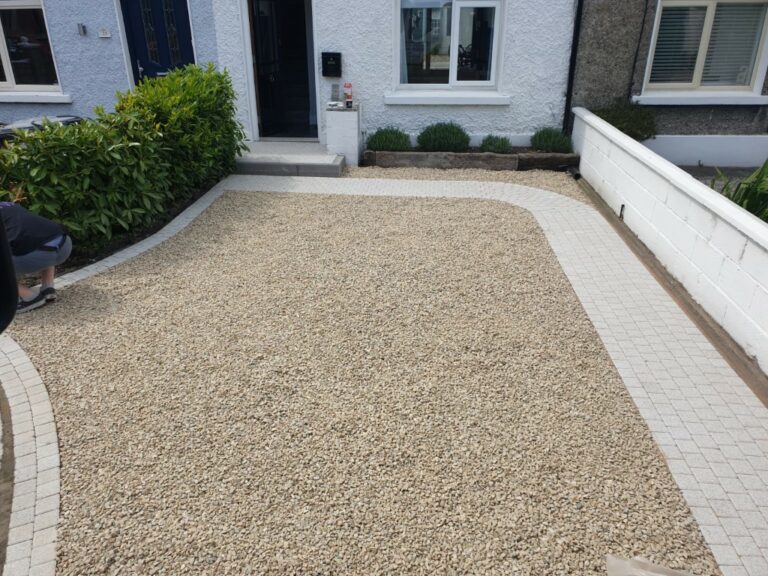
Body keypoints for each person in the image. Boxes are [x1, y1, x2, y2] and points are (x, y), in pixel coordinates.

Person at [0, 202, 72, 313]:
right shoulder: (6, 205)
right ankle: (48, 287)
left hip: (38, 257)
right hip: (64, 244)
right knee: (38, 236)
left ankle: (30, 297)